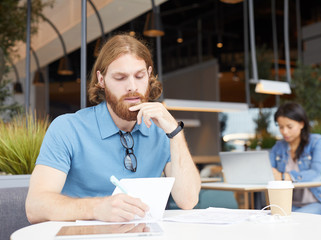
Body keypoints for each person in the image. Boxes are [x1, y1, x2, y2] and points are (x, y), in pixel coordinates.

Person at [25, 34, 201, 223]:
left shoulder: (161, 131)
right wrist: (96, 208)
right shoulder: (68, 128)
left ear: (149, 75)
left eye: (140, 76)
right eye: (120, 77)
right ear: (101, 79)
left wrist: (174, 131)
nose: (132, 87)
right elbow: (35, 207)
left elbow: (188, 200)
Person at [269, 102, 321, 216]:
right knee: (267, 219)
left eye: (289, 126)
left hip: (319, 202)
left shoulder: (316, 141)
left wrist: (286, 176)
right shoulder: (278, 147)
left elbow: (317, 174)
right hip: (290, 205)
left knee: (294, 219)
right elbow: (269, 173)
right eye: (281, 127)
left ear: (301, 124)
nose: (284, 131)